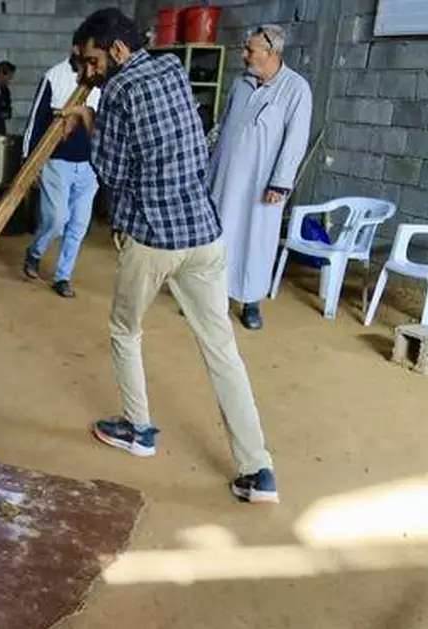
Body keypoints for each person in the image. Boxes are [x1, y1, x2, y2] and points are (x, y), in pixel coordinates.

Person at [63, 8, 278, 504]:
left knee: (125, 329)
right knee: (222, 350)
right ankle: (257, 468)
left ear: (116, 50)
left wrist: (88, 116)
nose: (90, 72)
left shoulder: (117, 91)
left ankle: (137, 429)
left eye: (93, 61)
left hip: (153, 240)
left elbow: (112, 173)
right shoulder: (173, 69)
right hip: (204, 236)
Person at [209, 24, 313, 330]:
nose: (243, 55)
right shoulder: (242, 83)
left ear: (271, 52)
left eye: (249, 50)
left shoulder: (295, 89)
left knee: (256, 240)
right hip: (225, 178)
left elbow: (296, 140)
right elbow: (224, 124)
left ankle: (251, 301)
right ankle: (214, 298)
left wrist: (280, 182)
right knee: (219, 237)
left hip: (261, 184)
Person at [21, 43, 101, 298]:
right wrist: (29, 162)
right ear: (75, 49)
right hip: (57, 162)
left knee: (78, 224)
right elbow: (35, 122)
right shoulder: (54, 76)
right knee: (57, 218)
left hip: (89, 166)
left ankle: (63, 276)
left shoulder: (102, 80)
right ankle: (34, 252)